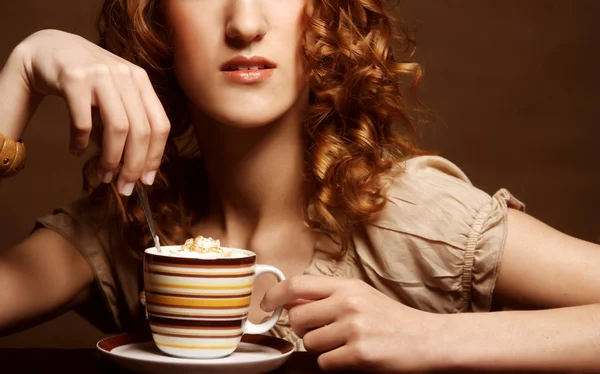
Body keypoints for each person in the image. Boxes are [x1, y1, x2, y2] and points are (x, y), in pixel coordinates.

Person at [1, 0, 599, 372]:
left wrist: (436, 337)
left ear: (325, 15)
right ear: (154, 20)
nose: (245, 22)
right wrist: (23, 71)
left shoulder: (411, 214)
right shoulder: (132, 226)